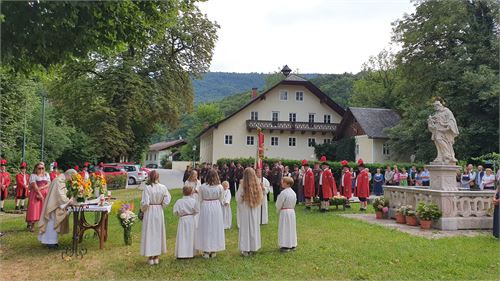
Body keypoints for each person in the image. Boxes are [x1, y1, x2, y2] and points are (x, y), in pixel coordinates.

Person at [38, 169, 78, 249]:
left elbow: (63, 192)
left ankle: (50, 241)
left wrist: (69, 198)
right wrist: (69, 201)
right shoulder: (59, 181)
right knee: (52, 223)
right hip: (53, 206)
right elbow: (60, 196)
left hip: (53, 204)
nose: (72, 180)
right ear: (69, 175)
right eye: (73, 178)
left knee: (52, 223)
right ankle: (50, 243)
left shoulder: (60, 180)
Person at [140, 170, 172, 265]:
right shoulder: (163, 187)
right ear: (158, 177)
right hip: (158, 210)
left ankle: (151, 257)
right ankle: (156, 257)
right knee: (158, 232)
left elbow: (145, 202)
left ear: (150, 177)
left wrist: (143, 209)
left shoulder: (147, 188)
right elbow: (167, 199)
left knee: (150, 232)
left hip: (150, 211)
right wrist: (162, 205)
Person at [195, 169, 225, 258]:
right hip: (216, 207)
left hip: (206, 206)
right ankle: (213, 250)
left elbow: (200, 199)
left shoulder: (202, 187)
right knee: (214, 227)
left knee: (206, 227)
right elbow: (221, 199)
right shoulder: (220, 187)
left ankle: (206, 250)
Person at [236, 167, 263, 256]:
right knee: (253, 227)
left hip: (246, 208)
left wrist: (242, 197)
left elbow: (238, 199)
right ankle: (253, 247)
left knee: (246, 228)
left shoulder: (242, 185)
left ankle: (246, 248)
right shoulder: (257, 184)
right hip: (254, 209)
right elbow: (260, 197)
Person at [173, 185, 199, 259]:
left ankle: (182, 253)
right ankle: (191, 252)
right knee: (191, 235)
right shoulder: (193, 201)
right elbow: (197, 210)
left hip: (183, 219)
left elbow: (175, 212)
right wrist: (191, 214)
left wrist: (180, 214)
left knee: (183, 236)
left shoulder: (179, 201)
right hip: (191, 219)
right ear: (191, 192)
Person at [26, 162, 51, 232]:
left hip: (45, 193)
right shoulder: (33, 175)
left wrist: (42, 187)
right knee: (34, 209)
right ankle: (32, 225)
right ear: (36, 168)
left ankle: (44, 225)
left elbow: (49, 183)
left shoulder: (46, 174)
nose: (41, 169)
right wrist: (39, 194)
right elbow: (34, 185)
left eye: (42, 168)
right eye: (39, 168)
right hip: (35, 194)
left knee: (44, 209)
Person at [276, 176, 297, 252]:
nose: (282, 183)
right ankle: (292, 244)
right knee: (291, 228)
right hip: (291, 212)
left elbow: (279, 203)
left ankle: (285, 245)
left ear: (287, 184)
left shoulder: (283, 193)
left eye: (283, 181)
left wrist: (278, 209)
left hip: (285, 212)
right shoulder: (293, 193)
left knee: (285, 228)